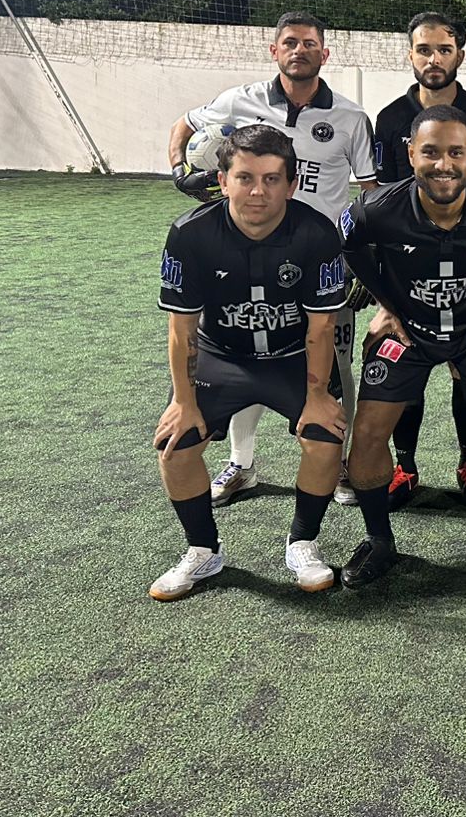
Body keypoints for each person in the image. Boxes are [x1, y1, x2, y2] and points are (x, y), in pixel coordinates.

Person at [168, 11, 377, 506]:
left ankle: (338, 463)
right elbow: (183, 125)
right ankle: (242, 465)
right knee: (244, 354)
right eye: (290, 42)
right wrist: (179, 170)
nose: (299, 50)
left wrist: (362, 256)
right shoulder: (238, 101)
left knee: (336, 364)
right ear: (274, 50)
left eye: (309, 43)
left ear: (324, 54)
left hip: (320, 262)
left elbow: (371, 192)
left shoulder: (351, 118)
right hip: (241, 256)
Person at [339, 105, 466, 588]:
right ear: (411, 153)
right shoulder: (374, 208)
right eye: (430, 152)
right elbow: (348, 246)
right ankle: (379, 541)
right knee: (366, 433)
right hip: (407, 332)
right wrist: (387, 304)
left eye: (455, 152)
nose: (443, 164)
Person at [149, 125, 349, 600]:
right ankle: (203, 550)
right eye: (245, 178)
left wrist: (317, 396)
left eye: (272, 179)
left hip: (293, 357)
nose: (258, 191)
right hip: (221, 356)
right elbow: (181, 330)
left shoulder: (317, 233)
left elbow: (321, 328)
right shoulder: (190, 233)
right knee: (176, 445)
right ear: (222, 181)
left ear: (292, 185)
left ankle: (303, 543)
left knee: (325, 439)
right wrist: (184, 401)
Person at [371, 12, 466, 514]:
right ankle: (405, 465)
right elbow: (379, 210)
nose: (434, 59)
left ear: (460, 55)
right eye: (424, 49)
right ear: (410, 55)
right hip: (408, 278)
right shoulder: (390, 119)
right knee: (405, 375)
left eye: (444, 49)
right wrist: (386, 301)